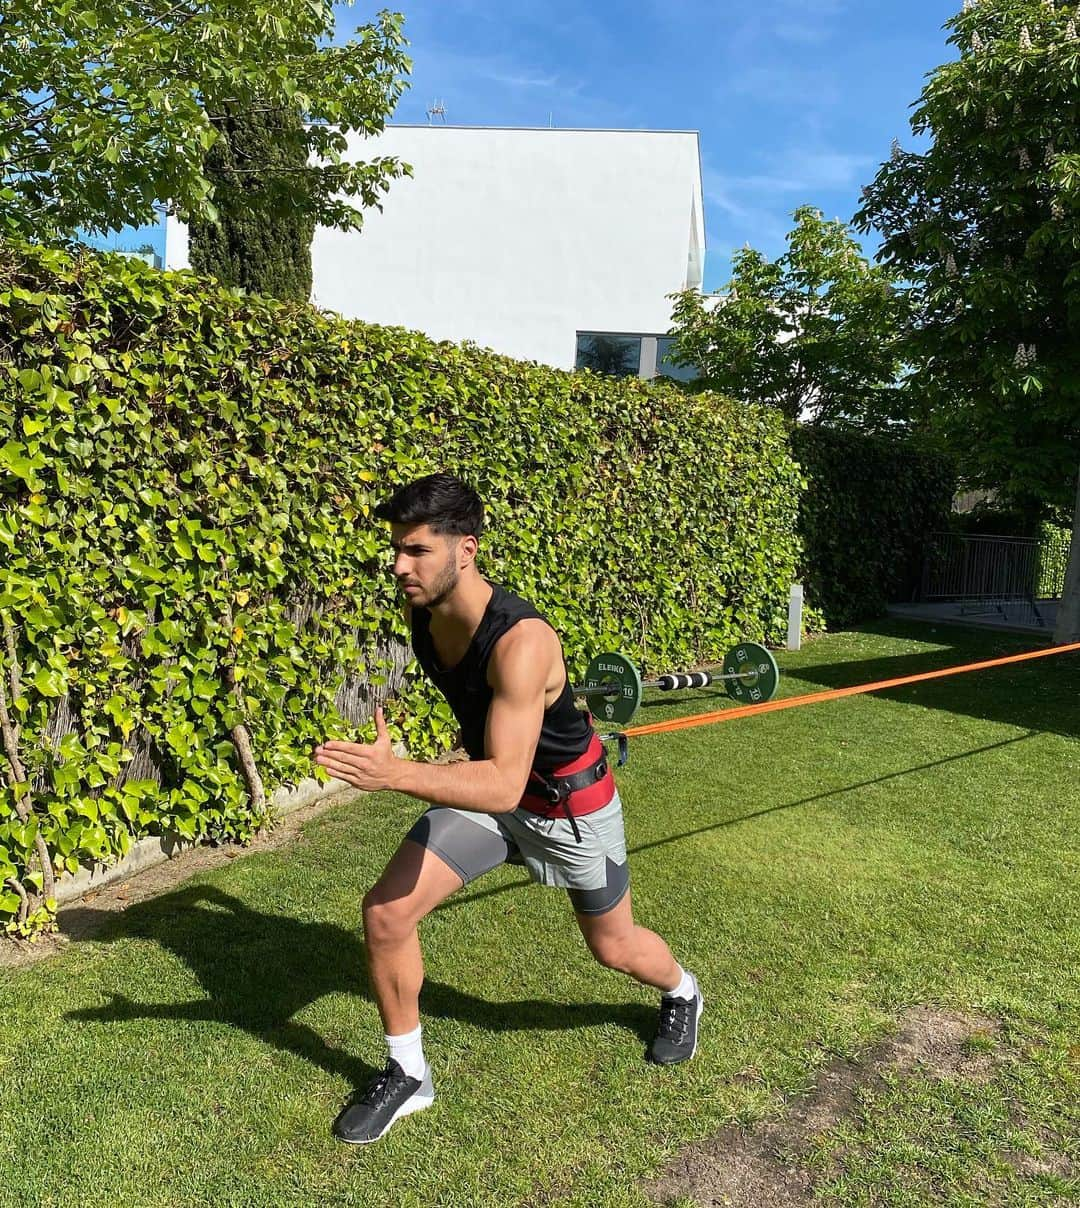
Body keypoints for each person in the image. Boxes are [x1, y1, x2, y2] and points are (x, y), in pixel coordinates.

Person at [313, 473, 702, 1145]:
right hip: (498, 797)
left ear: (466, 550)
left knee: (615, 948)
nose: (398, 566)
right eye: (396, 549)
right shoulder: (424, 614)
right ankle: (409, 1073)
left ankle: (683, 992)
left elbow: (501, 783)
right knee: (386, 912)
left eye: (416, 551)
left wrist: (396, 774)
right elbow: (488, 756)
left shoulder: (524, 642)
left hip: (566, 808)